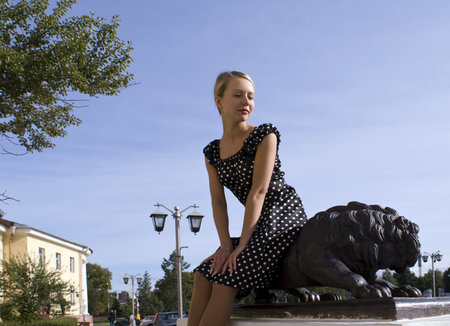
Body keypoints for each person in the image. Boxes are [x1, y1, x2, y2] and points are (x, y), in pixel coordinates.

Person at [188, 71, 308, 326]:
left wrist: (241, 245)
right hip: (255, 223)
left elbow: (259, 192)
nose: (246, 101)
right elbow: (218, 202)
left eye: (251, 96)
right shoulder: (212, 153)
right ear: (218, 101)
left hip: (282, 216)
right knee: (203, 274)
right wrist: (224, 245)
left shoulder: (264, 135)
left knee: (226, 277)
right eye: (238, 95)